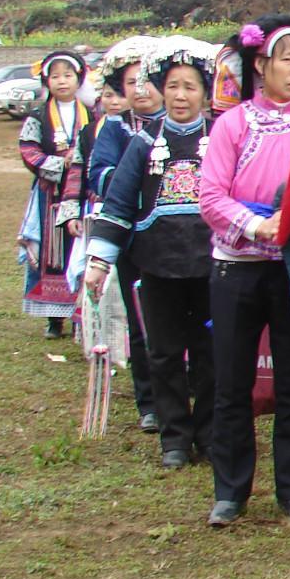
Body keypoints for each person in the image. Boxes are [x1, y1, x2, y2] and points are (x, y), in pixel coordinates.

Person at [198, 14, 290, 529]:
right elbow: (209, 197)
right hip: (238, 268)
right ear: (260, 64)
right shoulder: (233, 124)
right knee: (232, 381)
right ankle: (230, 490)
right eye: (286, 59)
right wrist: (256, 225)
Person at [85, 42, 217, 469]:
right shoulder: (143, 144)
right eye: (174, 87)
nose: (181, 96)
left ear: (205, 93)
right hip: (156, 265)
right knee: (162, 353)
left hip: (212, 264)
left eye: (191, 87)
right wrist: (100, 260)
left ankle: (211, 433)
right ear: (162, 90)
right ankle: (174, 437)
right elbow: (119, 203)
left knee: (210, 352)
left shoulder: (221, 138)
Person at [85, 37, 167, 434]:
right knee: (141, 321)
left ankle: (180, 390)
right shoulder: (114, 129)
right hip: (132, 234)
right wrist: (132, 183)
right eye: (132, 82)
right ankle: (148, 400)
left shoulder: (180, 126)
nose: (140, 89)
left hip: (175, 239)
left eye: (148, 80)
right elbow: (98, 173)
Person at [17, 50, 92, 338]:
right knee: (53, 254)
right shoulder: (38, 115)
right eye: (55, 76)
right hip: (50, 194)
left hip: (82, 192)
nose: (62, 82)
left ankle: (79, 314)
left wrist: (83, 159)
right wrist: (60, 163)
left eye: (68, 75)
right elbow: (28, 150)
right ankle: (52, 318)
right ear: (46, 81)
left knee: (79, 250)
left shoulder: (92, 113)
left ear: (79, 79)